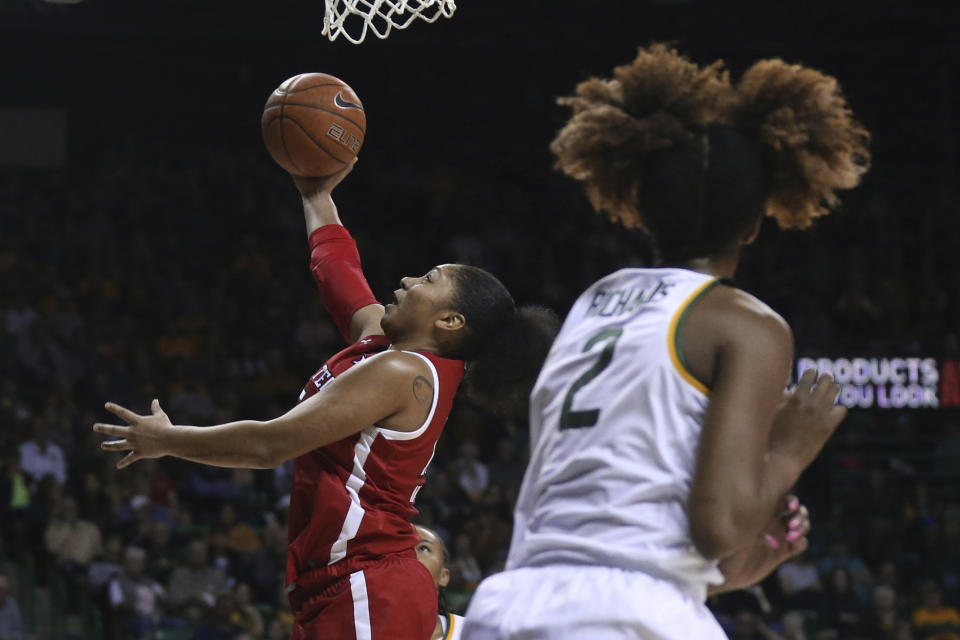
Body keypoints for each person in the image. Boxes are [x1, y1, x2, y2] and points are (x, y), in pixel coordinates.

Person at [463, 44, 869, 639]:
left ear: (642, 207)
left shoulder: (595, 301)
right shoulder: (746, 324)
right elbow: (718, 527)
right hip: (624, 620)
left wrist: (728, 574)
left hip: (513, 604)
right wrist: (787, 451)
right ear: (756, 222)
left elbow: (622, 522)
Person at [93, 160, 557, 640]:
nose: (407, 281)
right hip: (337, 585)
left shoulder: (406, 373)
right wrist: (316, 196)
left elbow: (268, 446)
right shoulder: (387, 348)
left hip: (369, 583)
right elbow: (339, 272)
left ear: (450, 322)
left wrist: (167, 441)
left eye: (429, 280)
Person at [414, 525, 465, 640]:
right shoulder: (366, 628)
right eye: (403, 548)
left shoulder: (467, 631)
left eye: (423, 548)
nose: (410, 554)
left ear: (443, 576)